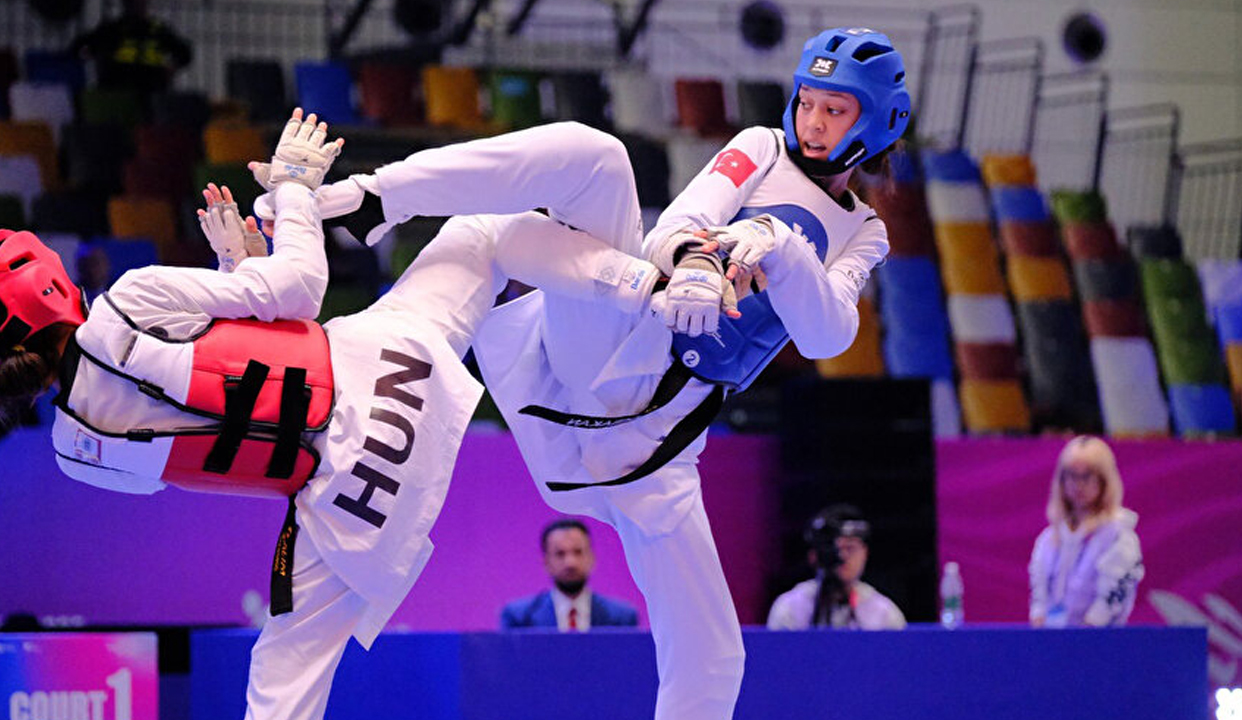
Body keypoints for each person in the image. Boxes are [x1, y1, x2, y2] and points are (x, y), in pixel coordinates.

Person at [280, 25, 908, 720]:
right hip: (614, 352)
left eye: (836, 109)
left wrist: (780, 245)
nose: (814, 122)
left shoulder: (863, 231)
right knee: (584, 166)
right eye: (809, 101)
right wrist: (698, 262)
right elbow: (680, 224)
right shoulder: (760, 147)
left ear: (876, 122)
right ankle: (373, 197)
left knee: (715, 658)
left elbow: (829, 334)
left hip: (658, 446)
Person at [1, 110, 684, 719]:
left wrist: (235, 272)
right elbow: (300, 289)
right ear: (43, 284)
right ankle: (637, 284)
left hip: (346, 504)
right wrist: (294, 191)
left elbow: (209, 418)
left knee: (281, 681)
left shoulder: (74, 450)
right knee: (483, 234)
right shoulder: (130, 298)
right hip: (384, 381)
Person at [1029, 436, 1144, 628]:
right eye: (1071, 475)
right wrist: (1041, 625)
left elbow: (1111, 600)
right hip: (1052, 642)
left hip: (1098, 643)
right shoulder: (1049, 538)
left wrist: (1084, 636)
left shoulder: (1119, 536)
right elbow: (1039, 598)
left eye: (1087, 476)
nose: (1078, 484)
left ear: (1104, 480)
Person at [766, 504, 906, 630]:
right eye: (834, 549)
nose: (842, 557)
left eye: (850, 548)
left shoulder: (884, 614)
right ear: (814, 556)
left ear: (865, 553)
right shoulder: (790, 608)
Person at [500, 518, 639, 630]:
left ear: (592, 558)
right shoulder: (520, 618)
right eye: (560, 554)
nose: (570, 563)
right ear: (546, 562)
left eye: (578, 552)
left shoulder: (622, 618)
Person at [70, 0, 192, 96]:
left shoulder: (156, 31)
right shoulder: (113, 30)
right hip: (122, 92)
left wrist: (170, 69)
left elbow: (184, 54)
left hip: (144, 91)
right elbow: (80, 47)